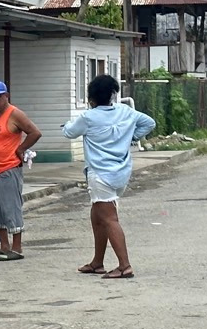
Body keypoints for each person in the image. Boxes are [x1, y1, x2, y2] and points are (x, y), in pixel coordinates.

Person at [62, 74, 157, 280]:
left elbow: (69, 133)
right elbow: (149, 123)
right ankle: (97, 262)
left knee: (109, 219)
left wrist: (67, 124)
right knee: (97, 217)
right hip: (121, 172)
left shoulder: (89, 117)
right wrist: (132, 137)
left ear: (91, 99)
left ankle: (124, 266)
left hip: (100, 174)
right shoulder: (126, 112)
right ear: (113, 95)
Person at [0, 80, 41, 260]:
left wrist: (21, 149)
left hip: (7, 168)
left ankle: (17, 248)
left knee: (11, 208)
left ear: (6, 96)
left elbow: (35, 132)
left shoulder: (14, 114)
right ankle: (4, 246)